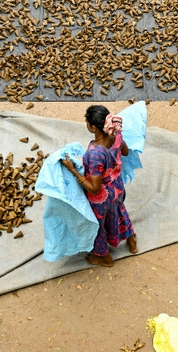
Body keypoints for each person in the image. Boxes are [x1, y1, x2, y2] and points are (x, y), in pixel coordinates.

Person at [61, 105, 138, 267]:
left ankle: (104, 257)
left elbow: (95, 188)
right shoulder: (115, 134)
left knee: (98, 224)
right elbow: (124, 152)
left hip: (102, 197)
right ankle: (131, 243)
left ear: (93, 127)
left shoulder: (94, 154)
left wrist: (73, 170)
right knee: (120, 211)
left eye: (87, 122)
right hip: (117, 186)